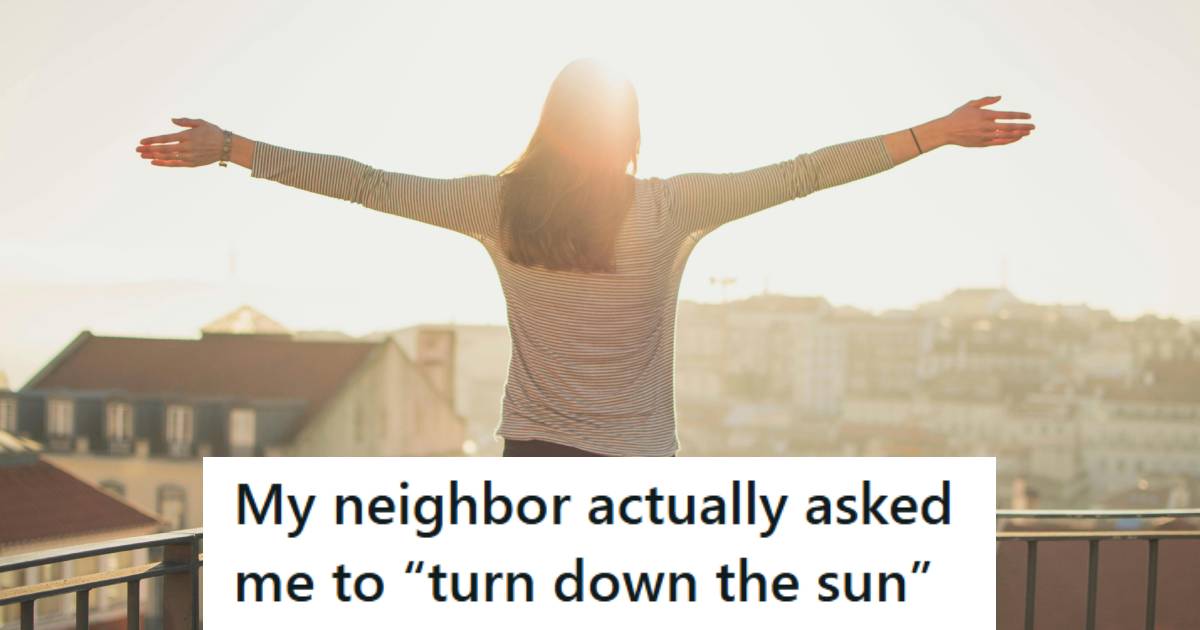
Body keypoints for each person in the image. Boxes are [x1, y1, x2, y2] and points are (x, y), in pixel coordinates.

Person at [136, 58, 1034, 457]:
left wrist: (236, 148)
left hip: (533, 461)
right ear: (630, 130)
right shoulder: (671, 206)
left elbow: (366, 182)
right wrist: (933, 135)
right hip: (637, 468)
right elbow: (803, 175)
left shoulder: (496, 205)